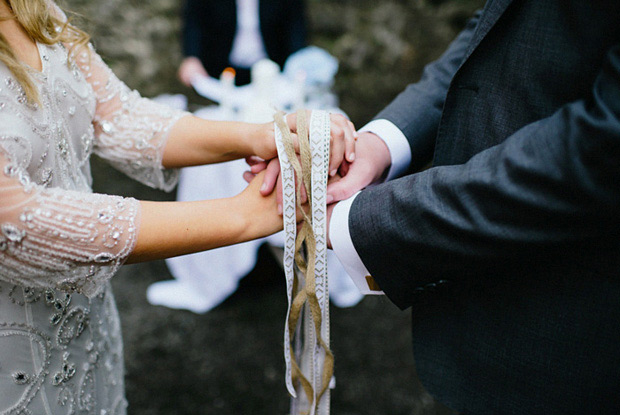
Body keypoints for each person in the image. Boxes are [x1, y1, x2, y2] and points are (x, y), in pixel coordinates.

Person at [254, 0, 620, 413]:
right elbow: (491, 36)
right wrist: (374, 148)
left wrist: (356, 221)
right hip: (478, 327)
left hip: (572, 338)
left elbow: (603, 145)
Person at [0, 0, 355, 413]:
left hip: (86, 326)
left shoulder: (34, 6)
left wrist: (260, 135)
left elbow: (118, 115)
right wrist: (247, 215)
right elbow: (16, 223)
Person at [178, 0, 306, 87]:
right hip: (221, 71)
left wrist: (297, 62)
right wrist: (192, 57)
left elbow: (295, 26)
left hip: (273, 72)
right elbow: (194, 22)